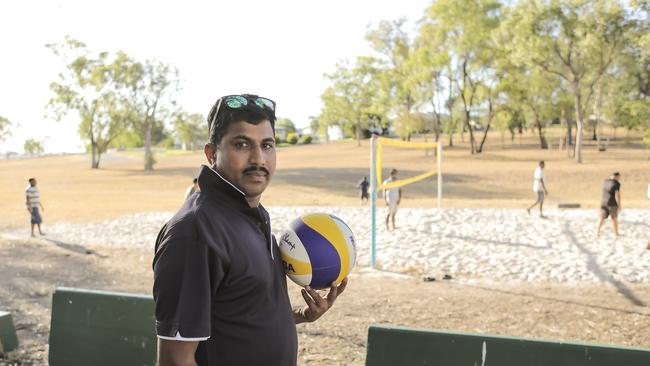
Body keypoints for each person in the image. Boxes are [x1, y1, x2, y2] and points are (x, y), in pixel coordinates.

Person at [152, 94, 347, 366]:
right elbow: (175, 361)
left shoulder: (251, 215)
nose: (258, 158)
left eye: (267, 145)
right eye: (242, 144)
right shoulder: (195, 232)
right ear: (211, 153)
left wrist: (301, 313)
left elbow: (241, 311)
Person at [597, 172, 622, 237]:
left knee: (602, 218)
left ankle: (597, 231)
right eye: (619, 177)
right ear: (616, 176)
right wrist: (619, 205)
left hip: (604, 202)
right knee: (614, 218)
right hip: (612, 203)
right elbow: (618, 195)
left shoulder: (605, 181)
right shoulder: (616, 183)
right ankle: (616, 233)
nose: (619, 178)